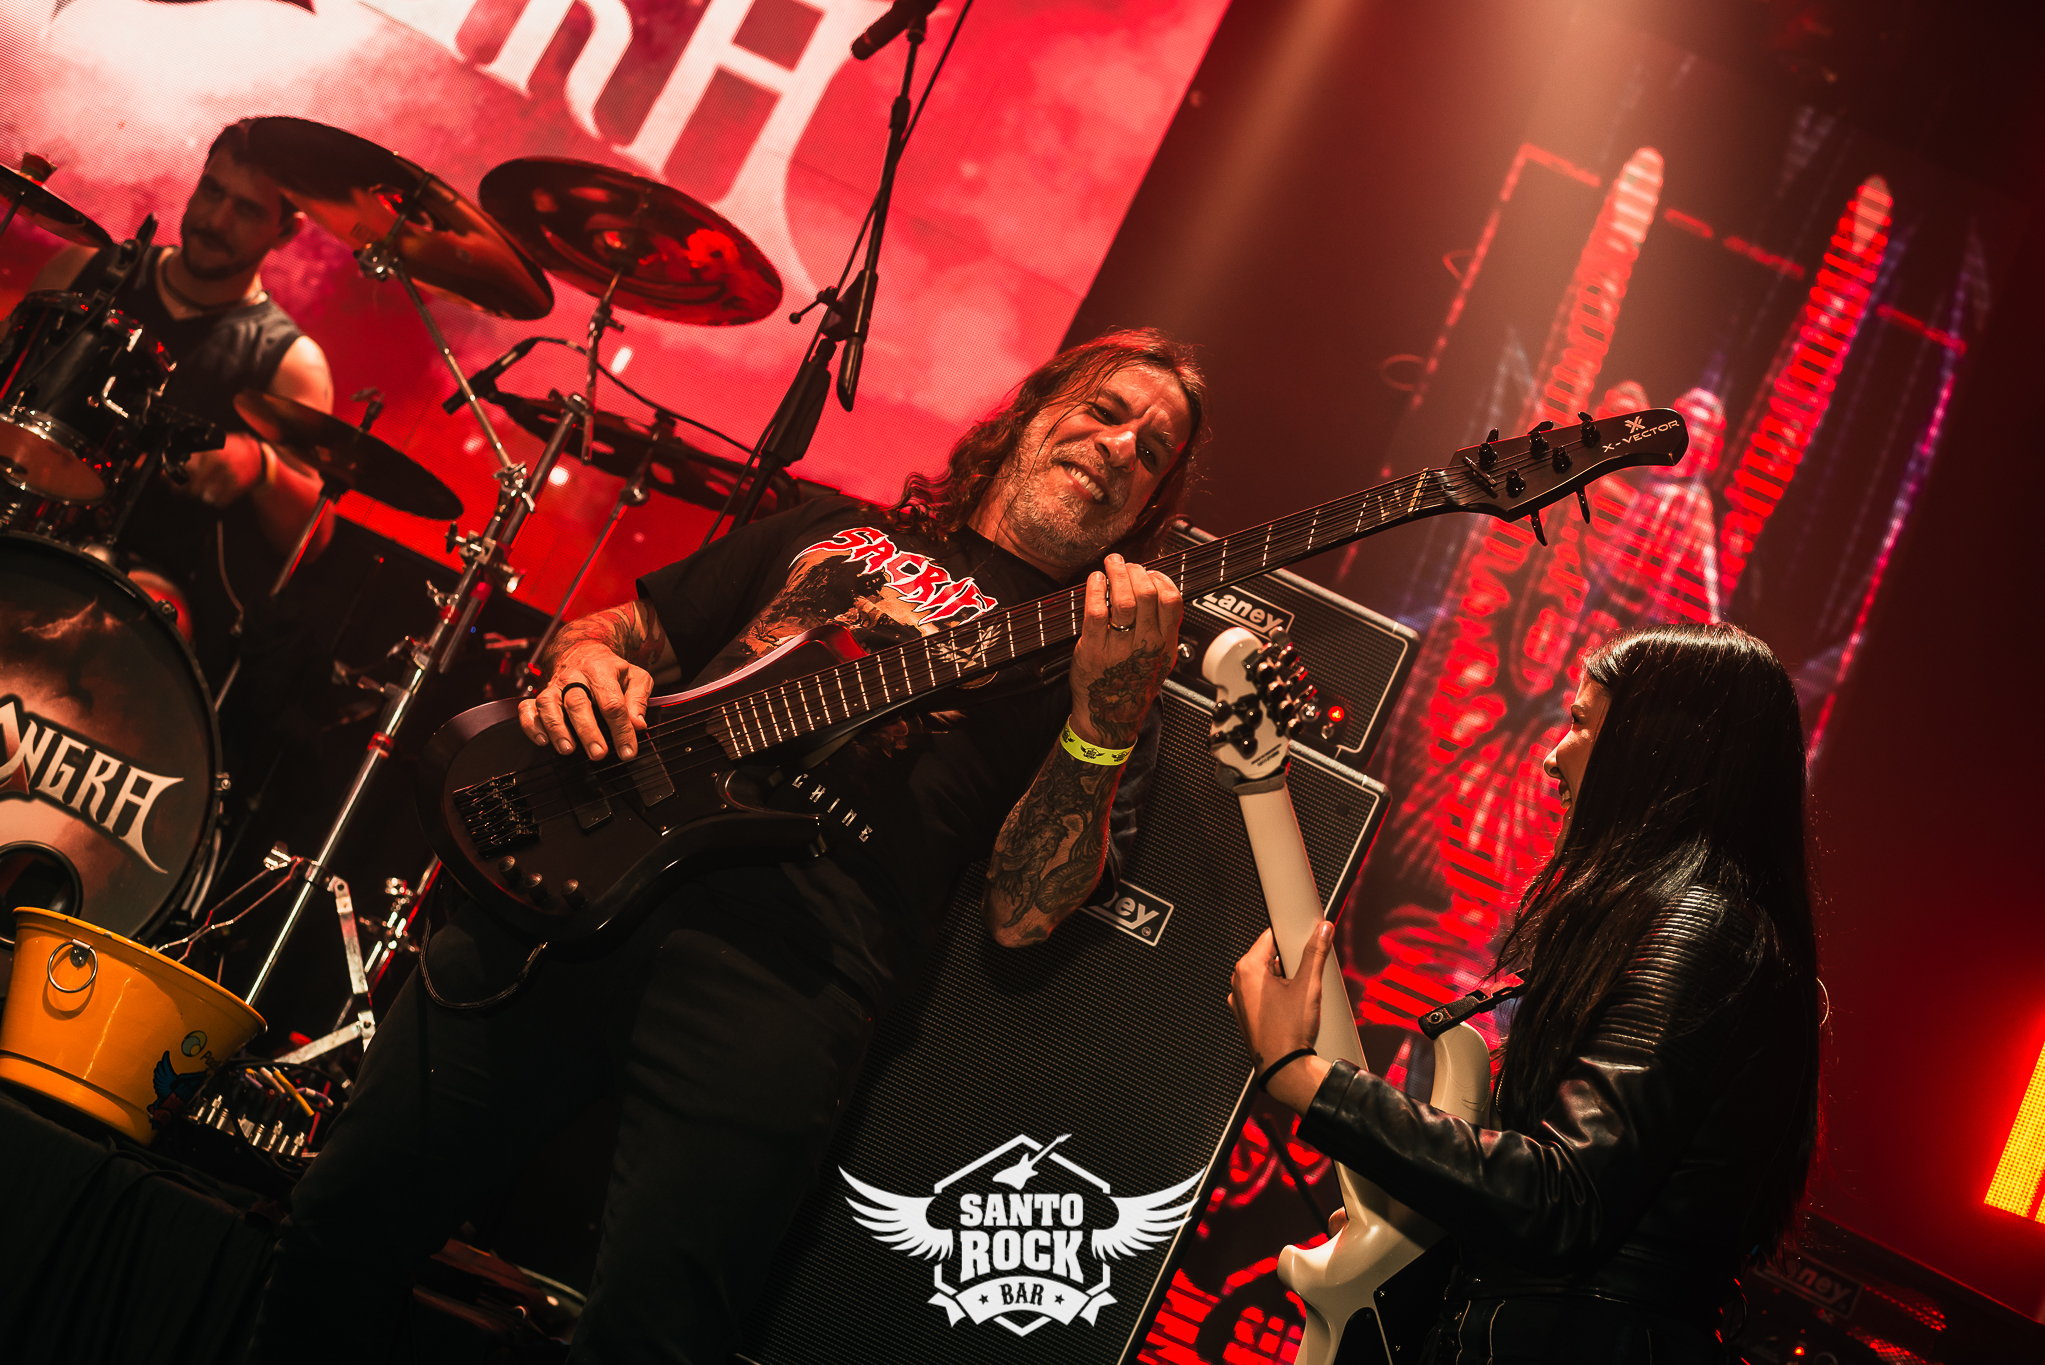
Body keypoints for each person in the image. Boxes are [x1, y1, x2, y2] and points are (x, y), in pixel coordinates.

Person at [249, 328, 1209, 1362]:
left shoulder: (1105, 670)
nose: (1120, 447)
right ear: (1031, 412)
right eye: (1105, 411)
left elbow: (1024, 913)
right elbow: (614, 631)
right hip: (580, 875)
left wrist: (1105, 715)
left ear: (1147, 511)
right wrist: (582, 667)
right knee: (342, 1220)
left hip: (788, 972)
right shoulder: (837, 530)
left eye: (1151, 451)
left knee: (654, 1337)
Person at [1231, 622, 1823, 1364]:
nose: (1550, 756)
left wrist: (1303, 1075)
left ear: (1654, 749)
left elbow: (1563, 1200)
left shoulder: (1702, 932)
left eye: (1580, 722)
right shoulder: (1685, 926)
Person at [28, 118, 335, 695]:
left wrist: (262, 466)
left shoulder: (289, 363)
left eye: (247, 210)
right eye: (212, 191)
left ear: (286, 232)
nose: (216, 220)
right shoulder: (87, 269)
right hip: (24, 519)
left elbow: (312, 540)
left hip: (149, 594)